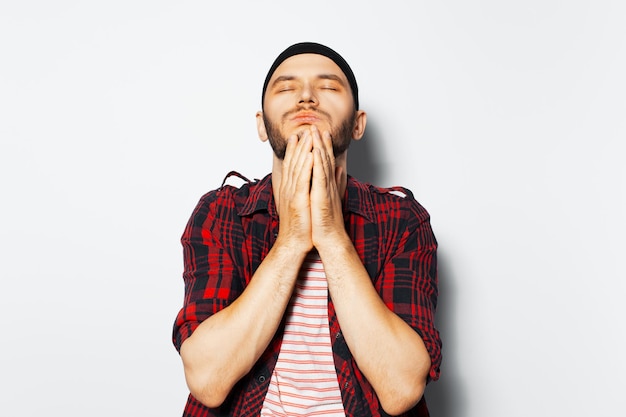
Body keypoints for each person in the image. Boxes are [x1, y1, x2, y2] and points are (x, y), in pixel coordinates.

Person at [173, 42, 441, 417]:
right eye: (286, 88)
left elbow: (400, 389)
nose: (306, 98)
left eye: (329, 87)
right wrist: (293, 240)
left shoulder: (401, 220)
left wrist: (331, 236)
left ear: (358, 124)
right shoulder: (221, 213)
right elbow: (208, 380)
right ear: (262, 125)